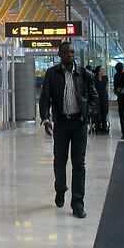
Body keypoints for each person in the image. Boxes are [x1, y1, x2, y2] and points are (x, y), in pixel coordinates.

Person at [39, 42, 97, 218]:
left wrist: (89, 114)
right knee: (60, 160)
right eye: (66, 52)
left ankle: (78, 203)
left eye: (72, 52)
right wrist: (46, 119)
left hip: (79, 123)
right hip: (61, 123)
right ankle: (60, 189)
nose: (70, 55)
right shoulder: (52, 74)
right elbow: (45, 98)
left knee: (79, 163)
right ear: (59, 55)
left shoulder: (85, 74)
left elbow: (94, 96)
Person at [92, 65, 109, 133]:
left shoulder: (105, 78)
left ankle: (104, 127)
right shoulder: (94, 78)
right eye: (102, 69)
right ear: (98, 71)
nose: (103, 70)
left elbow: (106, 85)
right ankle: (97, 127)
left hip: (104, 96)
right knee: (97, 112)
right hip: (97, 96)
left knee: (104, 112)